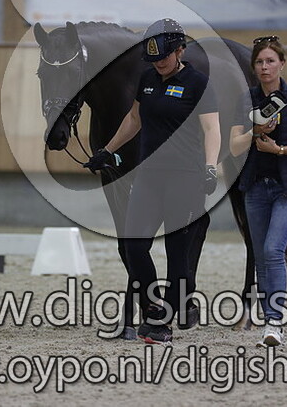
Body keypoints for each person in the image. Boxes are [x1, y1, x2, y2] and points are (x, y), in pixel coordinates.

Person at [85, 18, 220, 344]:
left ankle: (162, 324)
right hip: (148, 176)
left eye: (164, 57)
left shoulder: (198, 83)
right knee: (133, 245)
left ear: (180, 50)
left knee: (177, 253)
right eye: (154, 58)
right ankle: (153, 305)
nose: (159, 63)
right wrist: (107, 150)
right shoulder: (147, 79)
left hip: (185, 178)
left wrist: (210, 167)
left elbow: (211, 129)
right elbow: (134, 119)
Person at [229, 35, 287, 347]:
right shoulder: (246, 100)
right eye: (259, 62)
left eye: (270, 61)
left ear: (282, 63)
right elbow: (234, 145)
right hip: (255, 187)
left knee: (272, 250)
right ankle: (270, 318)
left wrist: (280, 149)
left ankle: (274, 321)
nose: (264, 67)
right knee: (260, 255)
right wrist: (255, 132)